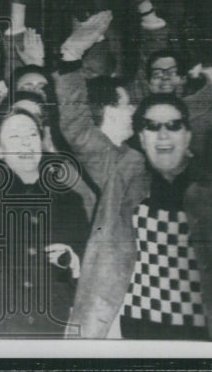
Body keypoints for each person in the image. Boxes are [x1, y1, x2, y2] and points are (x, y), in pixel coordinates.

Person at [67, 93, 212, 340]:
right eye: (151, 126)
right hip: (138, 320)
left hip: (198, 325)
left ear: (188, 134)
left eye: (173, 125)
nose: (163, 134)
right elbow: (76, 128)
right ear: (141, 136)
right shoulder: (126, 176)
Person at [0, 105, 89, 338]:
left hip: (53, 323)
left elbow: (84, 254)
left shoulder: (69, 199)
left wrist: (72, 258)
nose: (26, 144)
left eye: (32, 135)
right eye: (14, 137)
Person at [55, 11, 145, 220]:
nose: (132, 110)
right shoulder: (95, 150)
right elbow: (75, 117)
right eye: (125, 105)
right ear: (106, 111)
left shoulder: (127, 151)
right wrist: (71, 54)